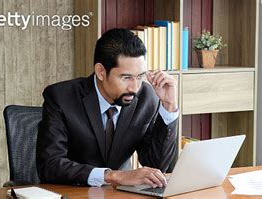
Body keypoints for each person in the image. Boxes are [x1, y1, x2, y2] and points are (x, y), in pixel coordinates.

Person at [36, 28, 178, 188]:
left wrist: (169, 106)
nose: (135, 87)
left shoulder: (147, 97)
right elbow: (49, 165)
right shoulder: (61, 97)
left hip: (120, 194)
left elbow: (157, 165)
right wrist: (113, 176)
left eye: (139, 76)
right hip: (74, 191)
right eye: (126, 77)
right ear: (101, 71)